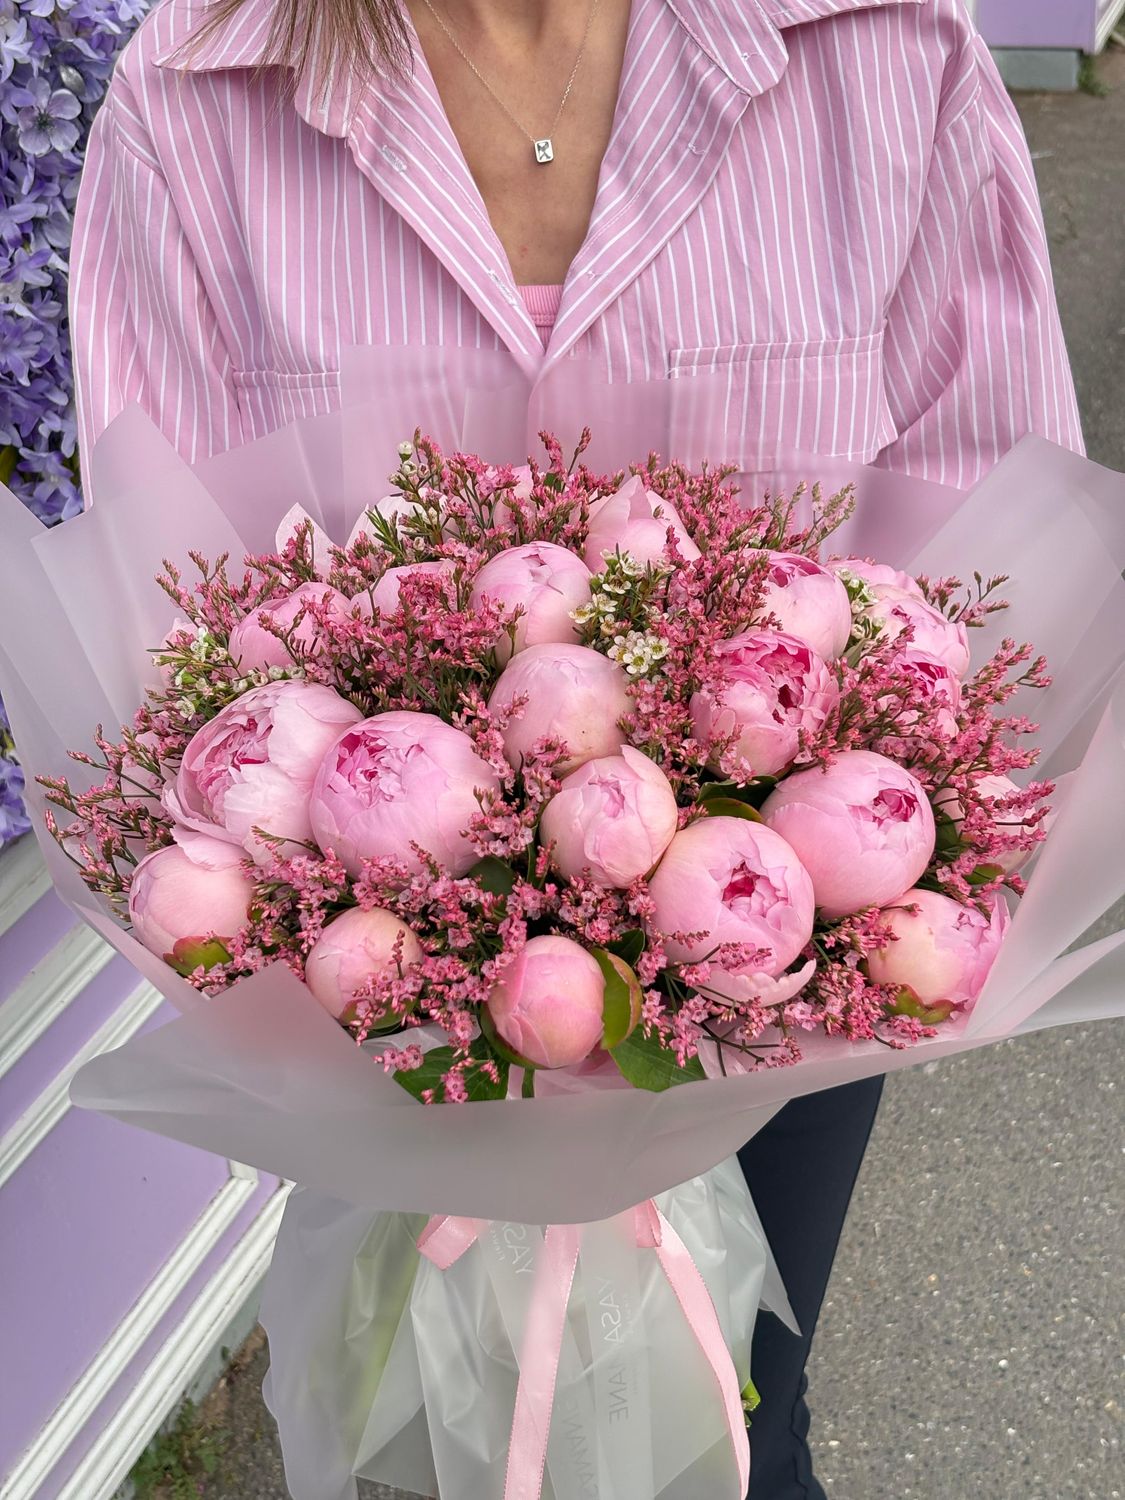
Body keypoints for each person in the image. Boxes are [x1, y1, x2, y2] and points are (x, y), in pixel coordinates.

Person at [68, 0, 1083, 1493]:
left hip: (780, 981)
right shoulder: (201, 89)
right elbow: (170, 614)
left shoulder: (886, 51)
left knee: (740, 1426)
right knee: (411, 1437)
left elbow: (993, 542)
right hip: (377, 1016)